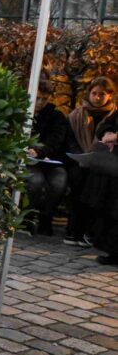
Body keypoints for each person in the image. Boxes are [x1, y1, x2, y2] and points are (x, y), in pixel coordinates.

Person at [65, 76, 118, 247]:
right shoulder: (77, 115)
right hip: (78, 160)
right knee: (77, 178)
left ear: (109, 95)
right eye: (94, 93)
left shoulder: (113, 113)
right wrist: (82, 156)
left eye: (101, 94)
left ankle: (89, 232)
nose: (97, 97)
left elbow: (108, 129)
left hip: (102, 163)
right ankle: (73, 230)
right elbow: (69, 140)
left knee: (98, 184)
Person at [25, 81, 72, 237]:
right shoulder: (23, 112)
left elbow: (56, 139)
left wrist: (40, 151)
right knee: (35, 181)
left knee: (59, 181)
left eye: (44, 99)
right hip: (28, 161)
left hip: (50, 160)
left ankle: (46, 217)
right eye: (37, 98)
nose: (39, 103)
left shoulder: (56, 116)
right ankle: (28, 217)